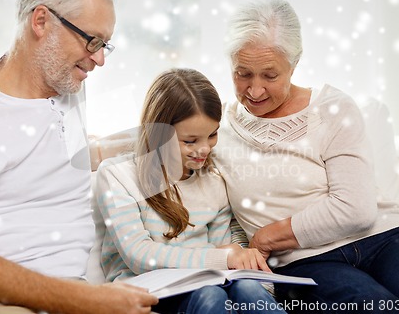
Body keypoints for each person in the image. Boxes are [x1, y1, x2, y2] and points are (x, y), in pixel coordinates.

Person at [0, 0, 158, 313]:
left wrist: (162, 137)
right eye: (92, 41)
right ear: (41, 21)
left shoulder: (64, 84)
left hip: (68, 289)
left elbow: (75, 155)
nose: (99, 59)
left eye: (105, 45)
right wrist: (90, 299)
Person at [212, 0, 399, 314]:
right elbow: (153, 148)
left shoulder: (333, 108)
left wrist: (268, 236)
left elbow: (356, 210)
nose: (255, 90)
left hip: (386, 239)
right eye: (243, 73)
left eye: (270, 75)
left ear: (295, 62)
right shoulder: (217, 127)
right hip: (304, 263)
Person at [94, 68, 286, 314]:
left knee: (247, 290)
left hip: (205, 282)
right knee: (210, 295)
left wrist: (233, 258)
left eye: (212, 135)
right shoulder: (117, 175)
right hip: (145, 290)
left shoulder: (213, 180)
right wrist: (221, 257)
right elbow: (138, 255)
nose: (204, 149)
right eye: (190, 141)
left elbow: (221, 248)